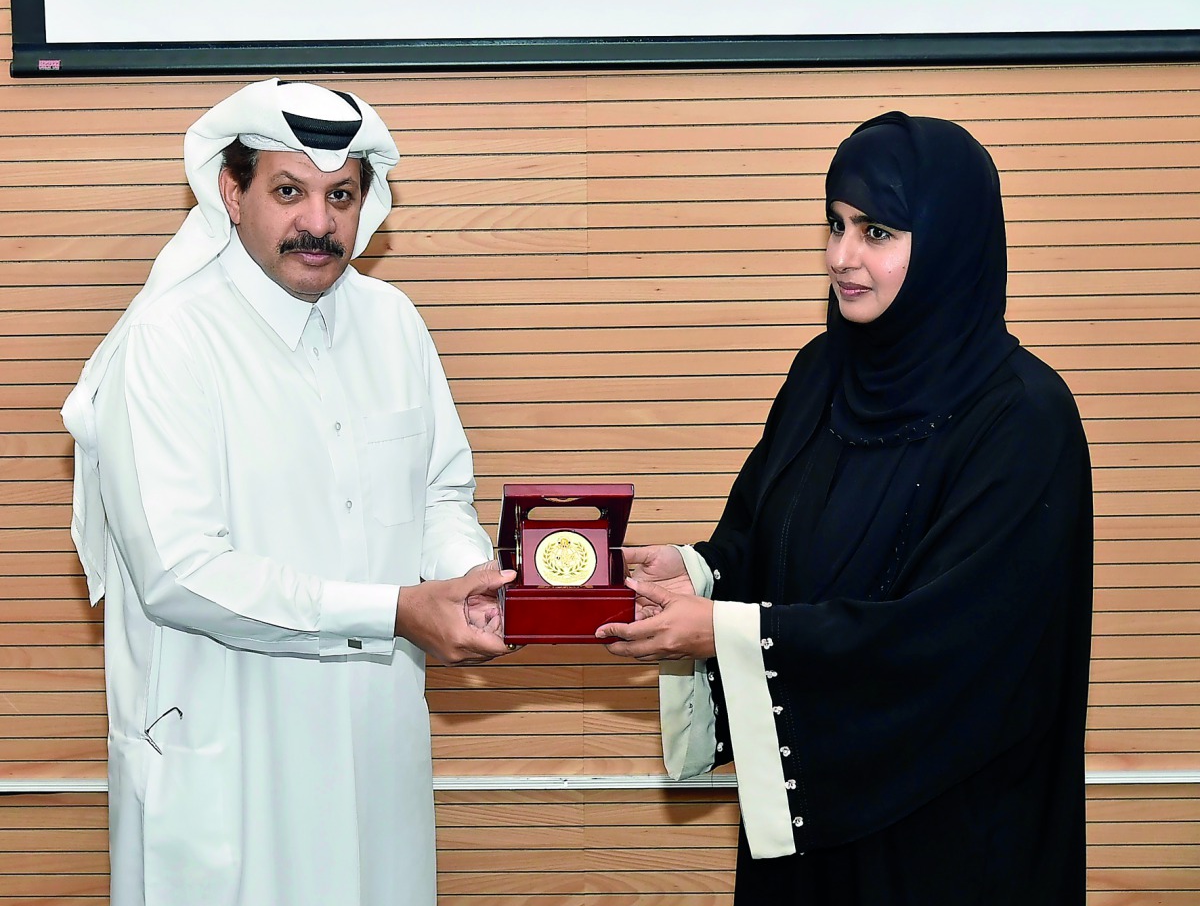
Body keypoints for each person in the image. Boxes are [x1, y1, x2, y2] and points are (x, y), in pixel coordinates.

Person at [598, 111, 1093, 904]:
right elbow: (766, 535)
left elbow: (954, 641)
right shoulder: (822, 375)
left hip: (948, 842)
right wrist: (695, 572)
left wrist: (724, 629)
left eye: (878, 231)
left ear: (950, 244)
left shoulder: (1024, 419)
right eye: (835, 224)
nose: (841, 257)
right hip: (809, 836)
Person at [61, 79, 513, 906]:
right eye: (288, 191)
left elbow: (441, 495)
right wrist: (394, 612)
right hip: (231, 761)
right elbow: (179, 572)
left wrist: (470, 582)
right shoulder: (169, 344)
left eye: (341, 195)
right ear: (231, 194)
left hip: (372, 754)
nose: (319, 222)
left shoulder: (393, 324)